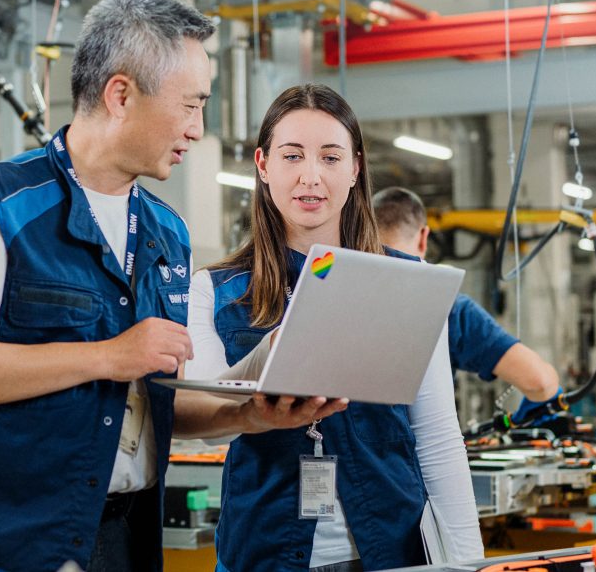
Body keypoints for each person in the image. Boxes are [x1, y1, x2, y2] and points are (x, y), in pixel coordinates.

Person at [0, 0, 270, 572]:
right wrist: (106, 355)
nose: (198, 130)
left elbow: (150, 405)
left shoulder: (165, 231)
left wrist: (249, 414)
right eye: (191, 104)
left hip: (124, 539)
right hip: (1, 546)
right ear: (120, 94)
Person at [173, 84, 484, 571]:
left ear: (356, 168)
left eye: (331, 157)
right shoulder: (214, 290)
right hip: (264, 552)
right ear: (263, 164)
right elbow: (211, 422)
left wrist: (468, 563)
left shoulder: (410, 282)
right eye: (292, 155)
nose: (310, 177)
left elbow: (438, 434)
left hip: (391, 551)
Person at [370, 187, 563, 416]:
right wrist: (549, 388)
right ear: (423, 237)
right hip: (422, 450)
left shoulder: (341, 298)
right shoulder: (447, 307)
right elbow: (539, 382)